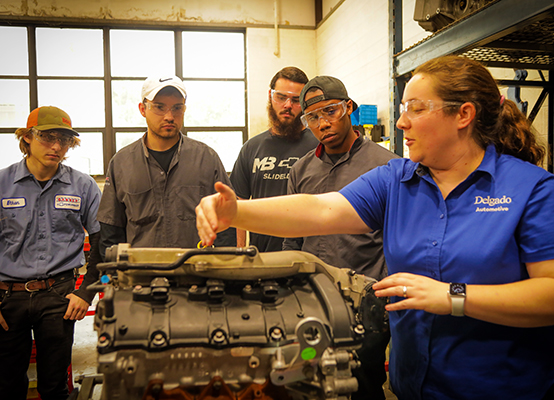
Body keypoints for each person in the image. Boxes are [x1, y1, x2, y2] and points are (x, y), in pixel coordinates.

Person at [196, 55, 554, 399]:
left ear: (463, 114)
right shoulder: (395, 180)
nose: (401, 123)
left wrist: (453, 297)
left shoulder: (532, 189)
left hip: (499, 387)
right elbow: (320, 209)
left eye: (416, 108)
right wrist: (236, 212)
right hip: (412, 387)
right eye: (402, 110)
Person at [282, 75, 399, 399]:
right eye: (313, 117)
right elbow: (292, 238)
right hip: (311, 301)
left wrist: (383, 296)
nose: (323, 123)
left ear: (349, 107)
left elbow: (399, 238)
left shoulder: (386, 166)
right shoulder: (301, 170)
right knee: (307, 373)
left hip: (366, 303)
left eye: (330, 111)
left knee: (361, 380)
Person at [0, 106, 102, 400]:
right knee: (7, 385)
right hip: (8, 299)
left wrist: (85, 293)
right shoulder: (3, 184)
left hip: (59, 296)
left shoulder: (83, 186)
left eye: (65, 140)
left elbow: (101, 244)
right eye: (47, 137)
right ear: (27, 138)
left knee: (55, 386)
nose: (57, 146)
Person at [96, 75, 235, 255]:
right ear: (142, 109)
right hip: (141, 277)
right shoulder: (121, 164)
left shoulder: (207, 159)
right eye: (159, 107)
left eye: (177, 108)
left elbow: (226, 224)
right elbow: (110, 233)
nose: (169, 116)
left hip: (195, 273)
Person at [230, 66, 318, 251]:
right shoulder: (251, 148)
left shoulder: (319, 146)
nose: (287, 105)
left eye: (295, 100)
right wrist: (240, 252)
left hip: (309, 257)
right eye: (281, 97)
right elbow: (239, 205)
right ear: (270, 95)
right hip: (263, 257)